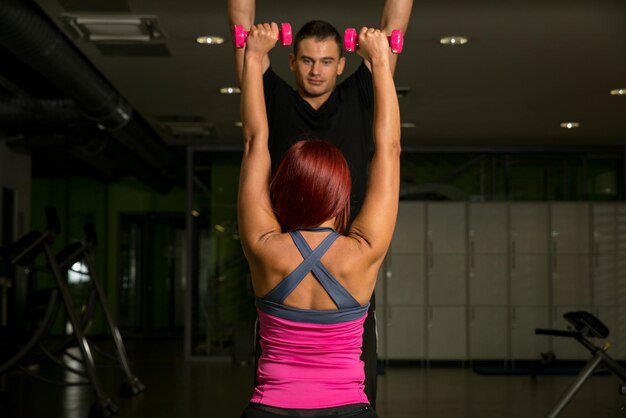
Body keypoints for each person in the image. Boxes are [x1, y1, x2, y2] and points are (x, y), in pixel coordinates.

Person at [228, 1, 413, 406]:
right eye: (308, 60)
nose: (316, 70)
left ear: (341, 64)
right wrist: (381, 60)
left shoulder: (261, 244)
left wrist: (255, 50)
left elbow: (254, 140)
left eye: (327, 61)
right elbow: (390, 149)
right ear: (292, 62)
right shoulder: (365, 249)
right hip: (347, 261)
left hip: (282, 256)